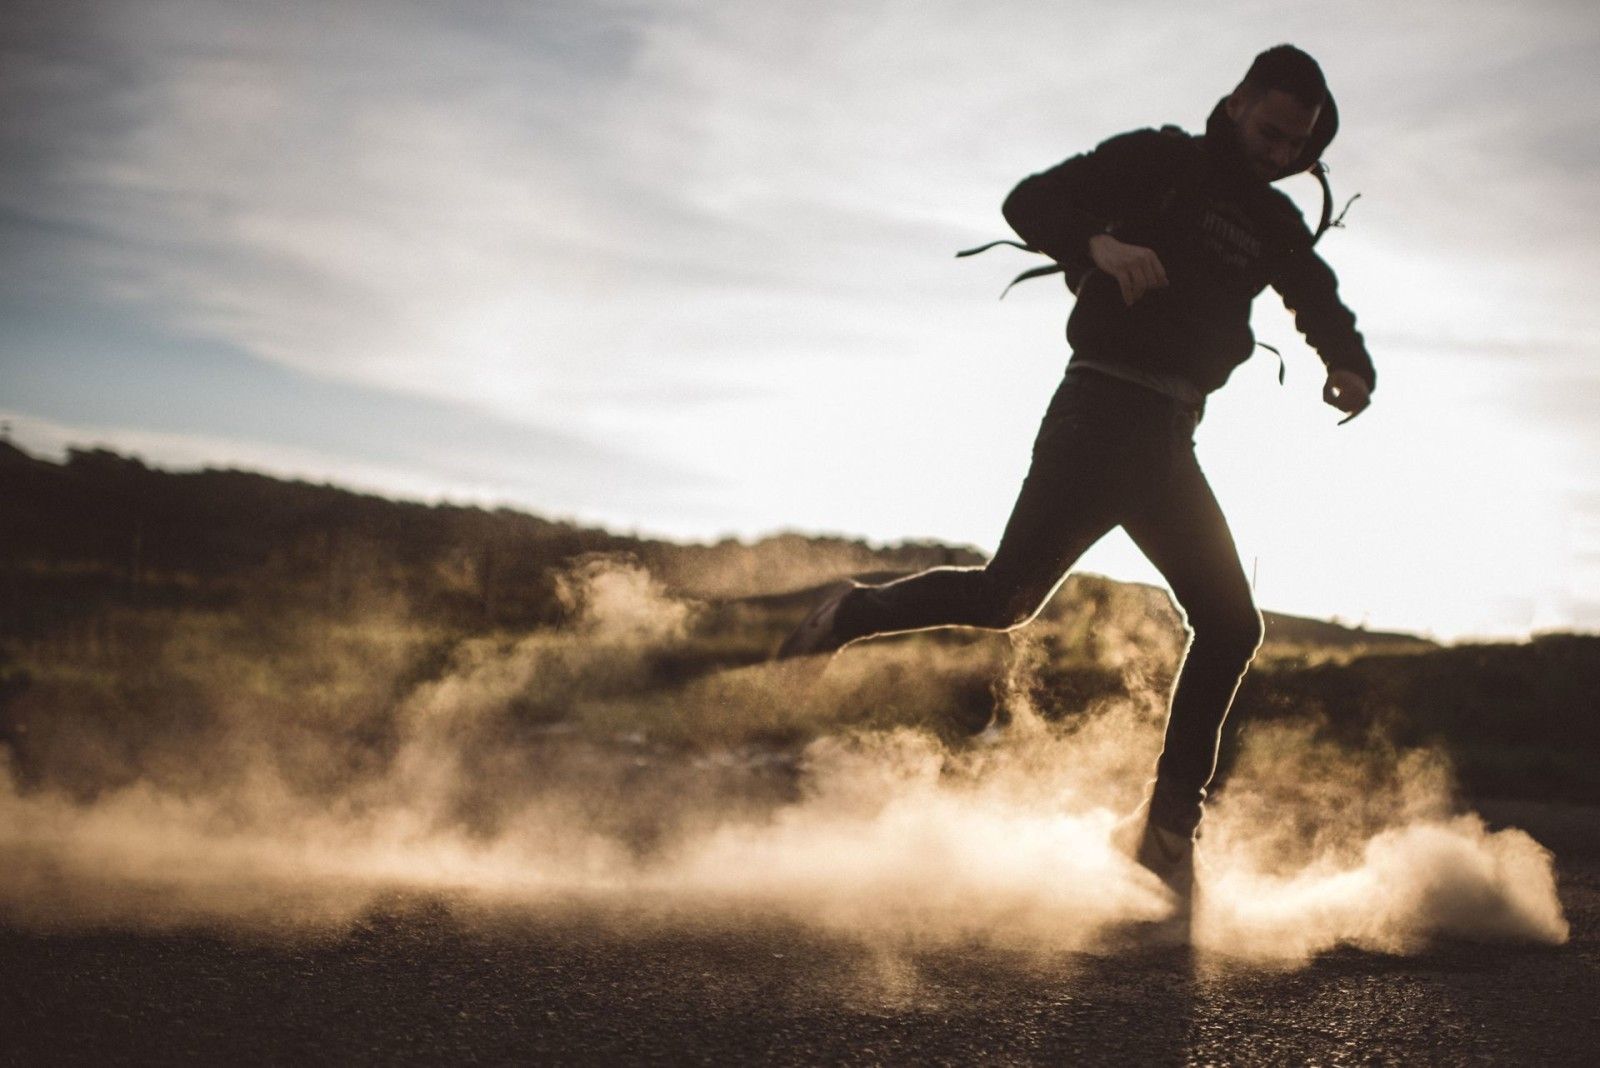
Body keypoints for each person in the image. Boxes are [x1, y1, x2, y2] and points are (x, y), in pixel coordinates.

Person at [775, 45, 1375, 899]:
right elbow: (1031, 200)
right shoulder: (1158, 158)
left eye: (1296, 147)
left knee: (1233, 625)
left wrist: (1350, 364)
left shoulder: (1275, 223)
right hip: (1097, 415)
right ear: (1238, 102)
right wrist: (1094, 240)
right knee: (1003, 601)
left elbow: (1316, 295)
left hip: (1171, 440)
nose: (1279, 155)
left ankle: (1166, 832)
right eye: (1270, 133)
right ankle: (847, 612)